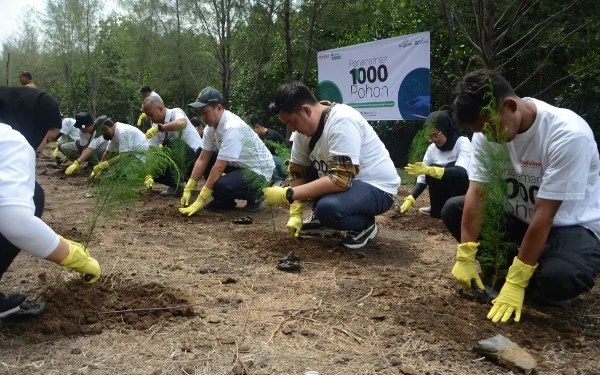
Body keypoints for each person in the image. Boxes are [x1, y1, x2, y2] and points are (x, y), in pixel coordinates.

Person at [442, 69, 600, 323]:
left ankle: (535, 277)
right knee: (454, 208)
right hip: (521, 219)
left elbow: (545, 215)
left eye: (492, 127)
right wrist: (466, 253)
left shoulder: (567, 134)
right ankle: (515, 271)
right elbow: (477, 193)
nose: (489, 136)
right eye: (482, 131)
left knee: (560, 277)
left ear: (510, 105)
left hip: (570, 226)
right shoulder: (486, 133)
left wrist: (516, 282)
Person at [0, 88, 101, 318]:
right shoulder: (12, 139)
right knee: (33, 198)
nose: (41, 149)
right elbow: (16, 223)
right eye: (47, 139)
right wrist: (75, 257)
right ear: (36, 124)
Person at [263, 82, 400, 249]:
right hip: (349, 185)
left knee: (329, 209)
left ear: (306, 110)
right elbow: (297, 170)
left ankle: (364, 225)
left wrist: (288, 194)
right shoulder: (302, 132)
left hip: (376, 187)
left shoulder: (342, 121)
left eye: (292, 122)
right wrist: (296, 210)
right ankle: (323, 221)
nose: (293, 129)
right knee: (308, 171)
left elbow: (341, 179)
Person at [180, 87, 275, 215]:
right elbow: (203, 159)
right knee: (200, 153)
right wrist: (189, 187)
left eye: (205, 112)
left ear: (219, 108)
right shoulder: (210, 129)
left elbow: (219, 167)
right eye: (200, 113)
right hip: (239, 166)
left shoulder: (232, 127)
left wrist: (201, 198)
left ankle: (257, 194)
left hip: (258, 171)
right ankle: (224, 200)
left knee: (220, 185)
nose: (202, 117)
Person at [399, 110, 471, 218]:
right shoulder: (432, 149)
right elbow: (423, 177)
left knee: (451, 168)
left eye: (436, 135)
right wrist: (411, 197)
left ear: (445, 129)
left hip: (462, 192)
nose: (433, 139)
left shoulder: (462, 142)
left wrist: (431, 170)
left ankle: (459, 210)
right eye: (430, 136)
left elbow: (461, 171)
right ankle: (437, 209)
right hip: (442, 193)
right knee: (431, 170)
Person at [143, 95, 206, 197]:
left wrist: (160, 128)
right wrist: (149, 174)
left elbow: (182, 123)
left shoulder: (175, 112)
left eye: (150, 114)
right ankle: (178, 185)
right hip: (178, 163)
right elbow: (151, 151)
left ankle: (184, 179)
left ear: (160, 108)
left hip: (195, 159)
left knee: (171, 141)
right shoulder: (155, 126)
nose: (150, 118)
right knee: (154, 165)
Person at [249, 114, 289, 184]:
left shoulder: (270, 136)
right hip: (281, 162)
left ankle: (278, 181)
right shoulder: (265, 136)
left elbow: (267, 157)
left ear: (257, 127)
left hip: (287, 163)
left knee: (265, 158)